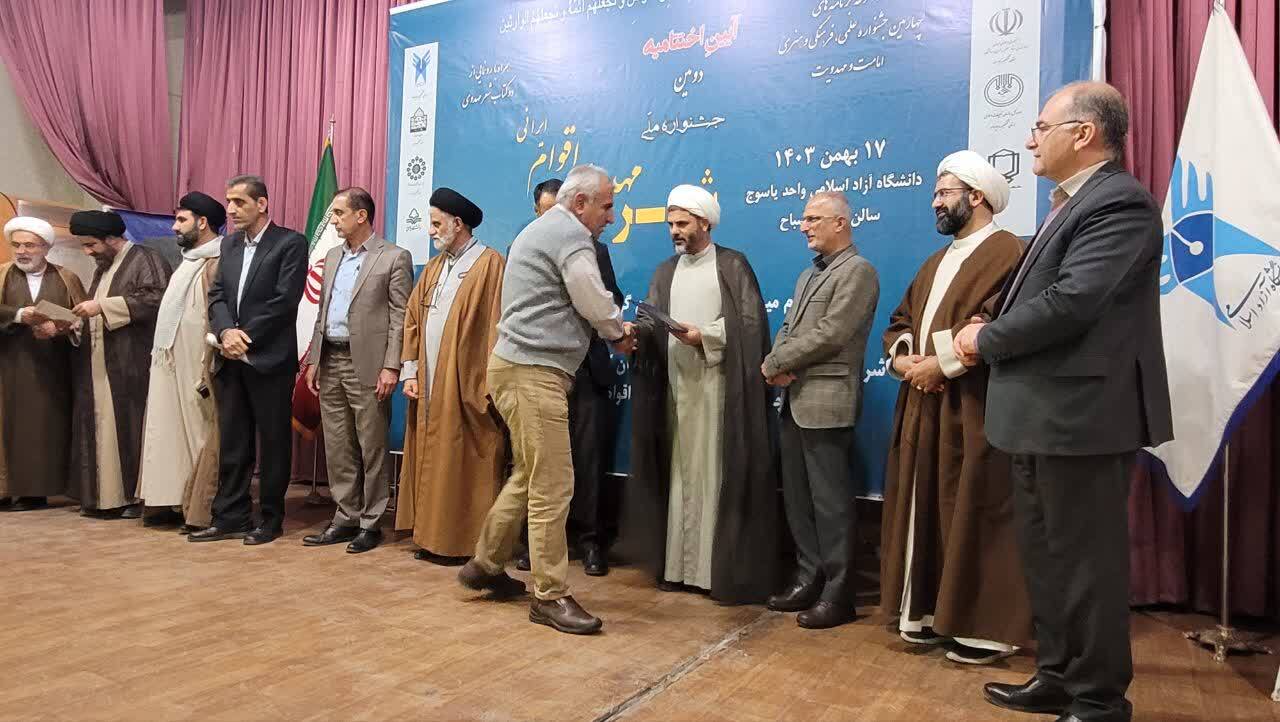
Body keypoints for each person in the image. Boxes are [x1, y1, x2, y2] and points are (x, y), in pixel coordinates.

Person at [953, 82, 1172, 722]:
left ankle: (1099, 699)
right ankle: (1056, 677)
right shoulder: (1068, 204)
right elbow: (1037, 295)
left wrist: (985, 340)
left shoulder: (1120, 203)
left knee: (1086, 567)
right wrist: (989, 322)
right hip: (1039, 417)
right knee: (1047, 562)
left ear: (1083, 133)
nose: (1029, 140)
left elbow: (1074, 301)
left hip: (1083, 420)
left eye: (1040, 127)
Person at [456, 164, 632, 635]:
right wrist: (618, 332)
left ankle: (485, 564)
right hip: (534, 372)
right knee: (552, 484)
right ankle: (549, 595)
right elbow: (591, 298)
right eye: (607, 206)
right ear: (581, 203)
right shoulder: (571, 234)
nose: (611, 217)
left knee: (530, 474)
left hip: (517, 368)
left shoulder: (542, 230)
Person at [879, 151, 1032, 665]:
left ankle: (982, 630)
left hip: (976, 406)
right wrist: (905, 361)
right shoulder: (935, 261)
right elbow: (901, 322)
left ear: (977, 196)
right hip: (924, 404)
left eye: (944, 193)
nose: (935, 202)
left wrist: (939, 365)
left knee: (976, 509)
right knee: (927, 506)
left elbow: (1000, 322)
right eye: (935, 193)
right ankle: (927, 614)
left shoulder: (1009, 251)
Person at [624, 184, 780, 602]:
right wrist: (635, 332)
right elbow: (653, 320)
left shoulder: (732, 265)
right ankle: (677, 567)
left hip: (717, 390)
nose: (674, 231)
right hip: (675, 391)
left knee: (713, 473)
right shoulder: (665, 271)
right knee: (679, 474)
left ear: (705, 223)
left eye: (682, 223)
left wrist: (704, 335)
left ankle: (712, 572)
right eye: (670, 224)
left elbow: (750, 325)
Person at [762, 190, 879, 629]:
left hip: (827, 403)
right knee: (798, 500)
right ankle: (808, 579)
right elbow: (789, 327)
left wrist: (777, 363)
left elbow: (832, 333)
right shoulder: (808, 274)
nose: (803, 226)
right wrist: (777, 361)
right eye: (804, 218)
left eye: (813, 219)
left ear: (840, 223)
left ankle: (838, 593)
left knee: (831, 505)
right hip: (795, 400)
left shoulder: (858, 271)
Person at [190, 175, 308, 546]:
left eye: (239, 202)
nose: (231, 209)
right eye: (229, 201)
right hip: (230, 357)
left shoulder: (290, 243)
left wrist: (244, 336)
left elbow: (285, 300)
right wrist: (226, 332)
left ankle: (270, 520)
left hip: (269, 359)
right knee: (234, 441)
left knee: (273, 443)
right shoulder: (229, 245)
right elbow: (217, 295)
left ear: (262, 204)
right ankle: (231, 516)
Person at [516, 176, 625, 576]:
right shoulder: (526, 246)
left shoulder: (595, 249)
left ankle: (591, 541)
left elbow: (609, 300)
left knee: (589, 459)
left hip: (586, 370)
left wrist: (603, 318)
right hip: (542, 368)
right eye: (546, 213)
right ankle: (536, 546)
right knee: (537, 465)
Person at [394, 187, 505, 561]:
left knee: (463, 460)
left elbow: (496, 326)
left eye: (436, 223)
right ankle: (429, 537)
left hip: (466, 384)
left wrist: (486, 385)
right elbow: (412, 319)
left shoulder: (491, 265)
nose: (430, 231)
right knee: (433, 457)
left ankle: (461, 543)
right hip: (428, 383)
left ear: (458, 224)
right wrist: (410, 371)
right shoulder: (434, 267)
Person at [301, 188, 412, 553]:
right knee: (337, 445)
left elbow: (400, 317)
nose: (333, 220)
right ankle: (345, 516)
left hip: (368, 363)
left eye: (339, 213)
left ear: (360, 216)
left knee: (372, 445)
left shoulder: (393, 257)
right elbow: (322, 311)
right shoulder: (333, 256)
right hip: (330, 359)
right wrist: (314, 359)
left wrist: (391, 366)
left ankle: (370, 522)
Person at [67, 210, 172, 519]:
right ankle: (105, 498)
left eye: (91, 245)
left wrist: (102, 306)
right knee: (102, 427)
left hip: (132, 362)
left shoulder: (146, 258)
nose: (88, 252)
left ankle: (132, 498)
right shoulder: (103, 267)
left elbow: (157, 300)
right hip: (99, 362)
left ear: (112, 238)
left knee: (129, 425)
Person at [137, 192, 226, 532]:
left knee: (198, 430)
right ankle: (172, 499)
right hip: (169, 358)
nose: (174, 227)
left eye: (181, 220)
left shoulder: (219, 260)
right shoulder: (188, 262)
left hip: (199, 359)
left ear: (202, 223)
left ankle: (198, 504)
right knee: (167, 429)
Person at [0, 217, 86, 511]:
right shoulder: (2, 275)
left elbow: (83, 321)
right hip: (8, 367)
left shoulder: (67, 278)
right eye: (16, 245)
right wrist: (17, 315)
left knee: (42, 431)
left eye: (29, 245)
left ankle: (34, 492)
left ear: (46, 248)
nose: (22, 251)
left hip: (52, 371)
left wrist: (61, 329)